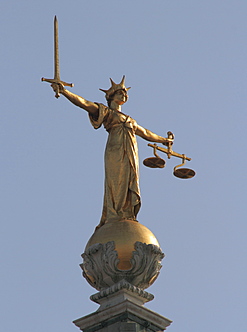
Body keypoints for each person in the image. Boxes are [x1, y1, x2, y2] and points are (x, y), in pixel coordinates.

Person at [51, 76, 170, 229]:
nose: (124, 95)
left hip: (131, 151)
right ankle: (114, 213)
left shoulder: (130, 120)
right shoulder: (107, 112)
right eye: (120, 93)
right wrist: (65, 91)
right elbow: (85, 104)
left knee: (129, 180)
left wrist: (163, 140)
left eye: (125, 94)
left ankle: (127, 213)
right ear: (111, 96)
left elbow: (146, 133)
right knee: (116, 181)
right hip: (115, 149)